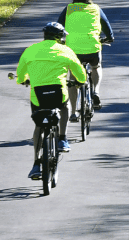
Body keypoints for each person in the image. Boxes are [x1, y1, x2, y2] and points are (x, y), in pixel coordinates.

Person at [15, 22, 86, 179]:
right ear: (60, 37)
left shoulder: (30, 50)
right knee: (65, 107)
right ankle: (62, 138)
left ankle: (35, 164)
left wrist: (23, 80)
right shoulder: (65, 50)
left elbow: (20, 74)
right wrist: (80, 81)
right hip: (58, 93)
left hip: (38, 97)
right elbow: (79, 71)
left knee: (39, 125)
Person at [58, 0, 114, 113]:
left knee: (73, 77)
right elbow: (106, 25)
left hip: (73, 49)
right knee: (96, 66)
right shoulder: (96, 9)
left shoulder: (69, 9)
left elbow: (59, 26)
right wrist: (110, 37)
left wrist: (60, 40)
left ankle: (73, 113)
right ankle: (96, 92)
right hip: (92, 47)